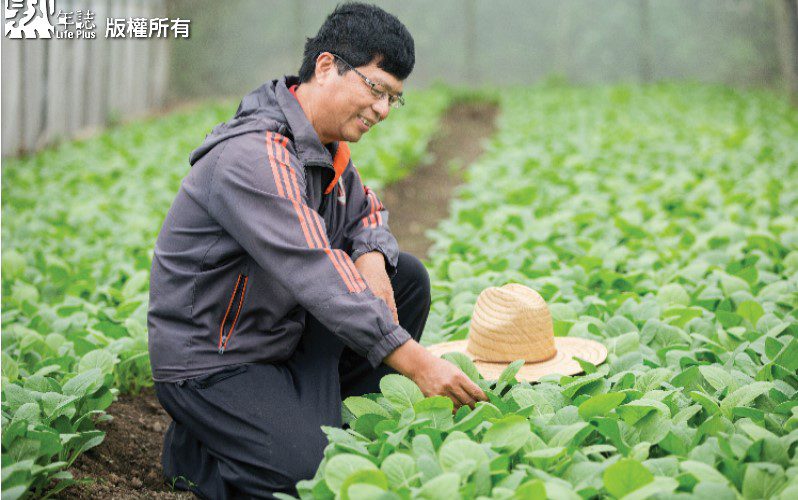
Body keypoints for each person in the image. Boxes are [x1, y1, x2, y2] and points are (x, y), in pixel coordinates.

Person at [146, 3, 486, 498]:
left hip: (276, 332)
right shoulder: (254, 157)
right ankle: (197, 453)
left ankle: (314, 419)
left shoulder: (325, 148)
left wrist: (370, 257)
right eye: (376, 89)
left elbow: (368, 212)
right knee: (305, 478)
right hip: (213, 361)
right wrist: (418, 363)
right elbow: (317, 270)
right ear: (326, 66)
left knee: (403, 277)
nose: (382, 110)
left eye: (394, 98)